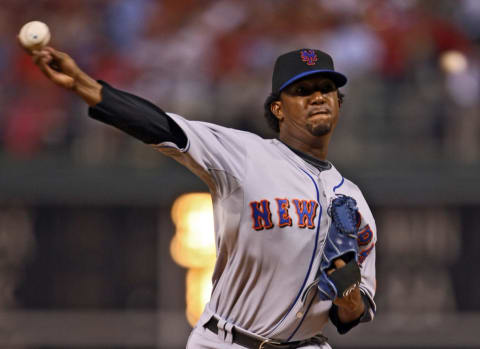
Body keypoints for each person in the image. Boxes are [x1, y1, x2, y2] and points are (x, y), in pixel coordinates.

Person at [28, 45, 377, 349]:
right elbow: (162, 127)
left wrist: (346, 287)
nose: (317, 97)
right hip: (228, 341)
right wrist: (81, 83)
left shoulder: (353, 200)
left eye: (326, 89)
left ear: (338, 102)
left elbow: (352, 315)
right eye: (303, 90)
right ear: (278, 109)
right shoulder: (244, 155)